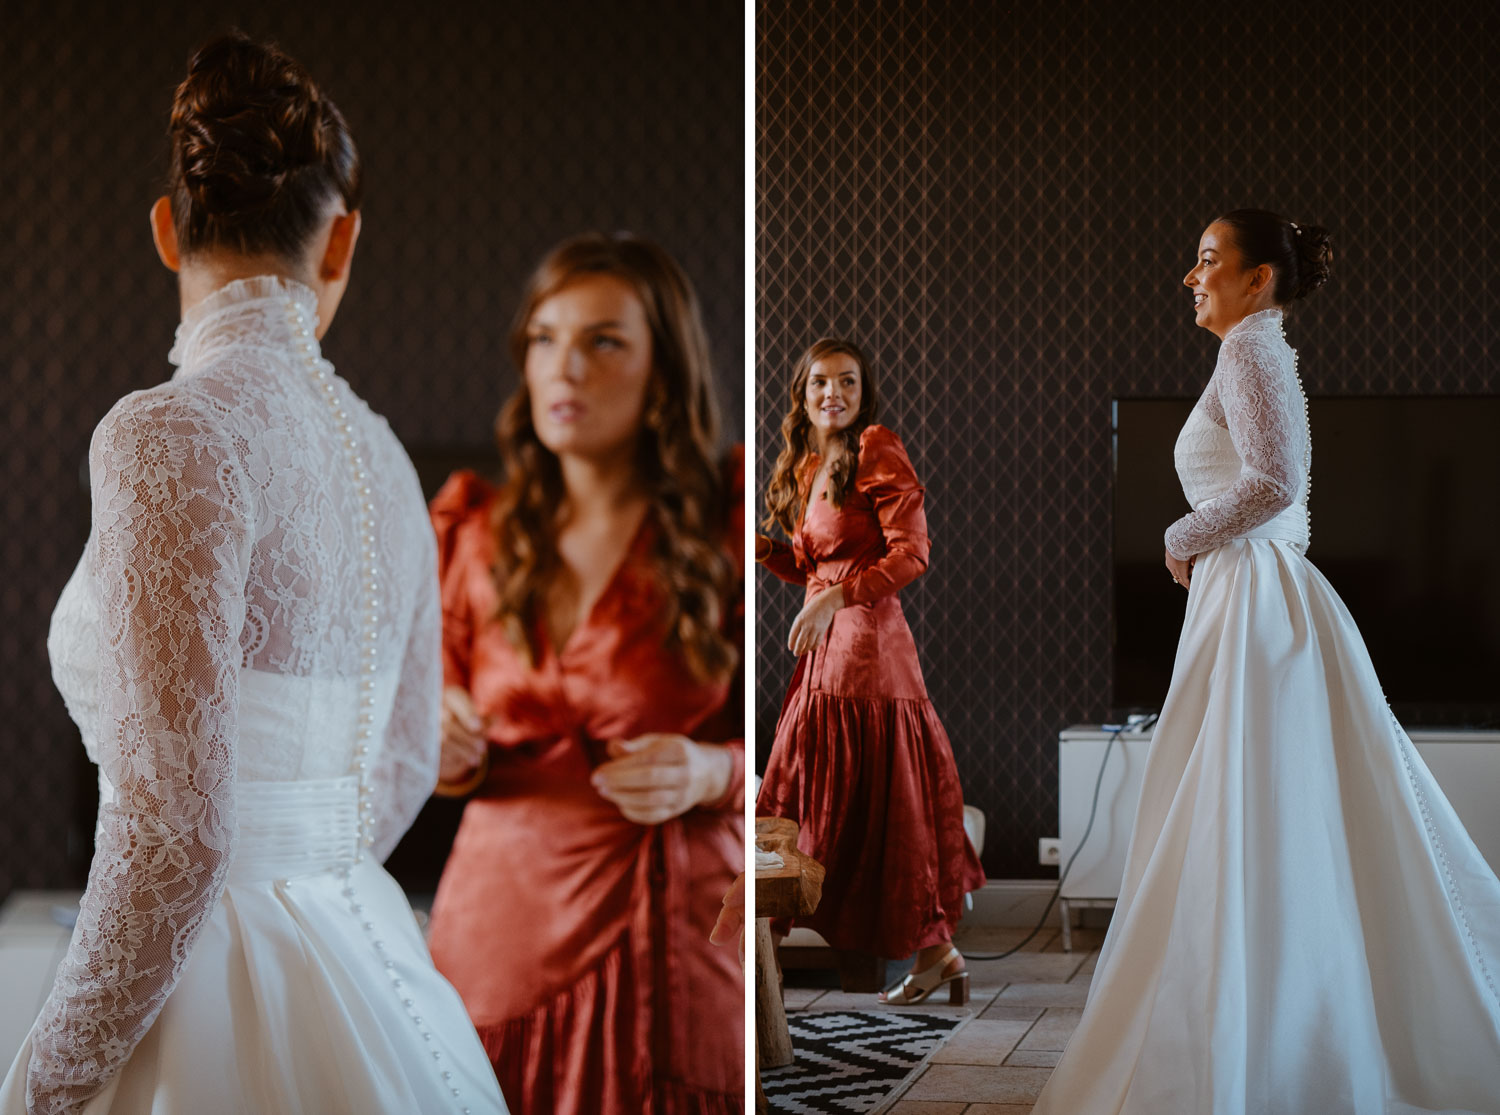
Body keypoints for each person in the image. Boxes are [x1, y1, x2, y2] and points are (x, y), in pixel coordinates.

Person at [0, 33, 506, 1115]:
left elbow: (177, 833)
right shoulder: (389, 462)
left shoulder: (165, 434)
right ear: (344, 243)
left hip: (199, 987)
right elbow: (409, 758)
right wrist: (303, 887)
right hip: (360, 953)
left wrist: (48, 1084)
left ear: (165, 227)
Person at [1032, 210, 1500, 1114]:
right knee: (1254, 811)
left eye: (1208, 260)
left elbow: (1275, 481)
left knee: (1238, 808)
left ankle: (1251, 1045)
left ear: (1258, 280)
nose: (1190, 275)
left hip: (1252, 600)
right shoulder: (1255, 347)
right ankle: (1269, 1030)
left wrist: (1178, 533)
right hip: (1247, 594)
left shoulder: (1250, 347)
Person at [425, 232, 745, 1115]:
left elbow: (805, 743)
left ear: (663, 374)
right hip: (494, 927)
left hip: (669, 924)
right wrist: (442, 743)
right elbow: (421, 724)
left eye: (604, 340)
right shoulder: (472, 532)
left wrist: (713, 769)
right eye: (544, 337)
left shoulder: (729, 524)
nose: (566, 365)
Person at [755, 338, 985, 1005]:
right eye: (821, 383)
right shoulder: (809, 463)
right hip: (827, 646)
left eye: (848, 383)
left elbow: (912, 553)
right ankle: (937, 951)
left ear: (864, 393)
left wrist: (835, 597)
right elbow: (809, 564)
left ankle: (799, 946)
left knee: (866, 800)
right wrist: (766, 548)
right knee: (853, 798)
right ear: (802, 394)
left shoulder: (876, 446)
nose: (834, 394)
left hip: (867, 651)